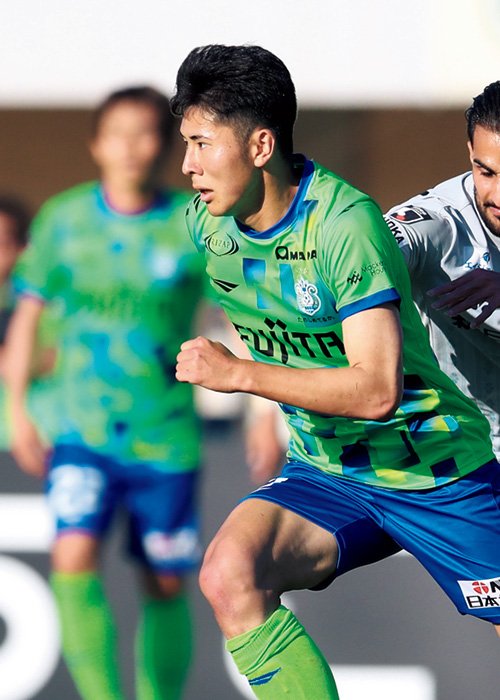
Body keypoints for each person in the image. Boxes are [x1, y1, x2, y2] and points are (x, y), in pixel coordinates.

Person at [171, 44, 500, 699]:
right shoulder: (211, 227)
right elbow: (285, 325)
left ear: (259, 145)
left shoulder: (344, 225)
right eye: (483, 170)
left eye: (202, 144)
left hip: (437, 471)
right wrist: (260, 403)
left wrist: (241, 376)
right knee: (230, 571)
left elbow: (375, 390)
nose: (188, 165)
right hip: (332, 471)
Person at [4, 86, 206, 700]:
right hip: (80, 428)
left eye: (145, 133)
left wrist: (260, 412)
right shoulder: (63, 221)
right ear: (96, 143)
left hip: (164, 433)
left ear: (164, 146)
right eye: (117, 133)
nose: (130, 147)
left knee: (164, 582)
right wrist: (20, 409)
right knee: (72, 554)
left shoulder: (192, 223)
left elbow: (241, 312)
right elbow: (28, 317)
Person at [384, 80, 500, 461]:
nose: (498, 196)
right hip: (460, 453)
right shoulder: (440, 221)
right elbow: (375, 251)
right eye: (486, 172)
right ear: (470, 153)